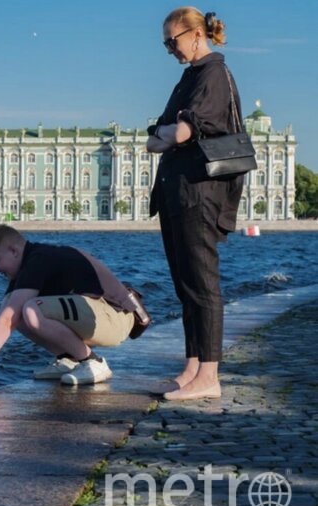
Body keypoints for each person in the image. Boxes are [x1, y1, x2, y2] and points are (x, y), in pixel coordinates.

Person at [145, 8, 245, 400]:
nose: (170, 49)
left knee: (203, 283)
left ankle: (209, 375)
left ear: (196, 34)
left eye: (173, 40)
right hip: (177, 191)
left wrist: (173, 132)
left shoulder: (213, 74)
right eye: (166, 43)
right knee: (185, 283)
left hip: (201, 192)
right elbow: (155, 137)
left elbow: (186, 129)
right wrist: (170, 133)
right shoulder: (189, 78)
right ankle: (193, 365)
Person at [0, 225, 145, 400]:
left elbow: (8, 319)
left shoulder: (39, 259)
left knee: (31, 310)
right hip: (103, 316)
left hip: (116, 317)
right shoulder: (29, 264)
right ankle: (69, 359)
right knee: (16, 307)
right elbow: (4, 318)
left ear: (14, 251)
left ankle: (92, 362)